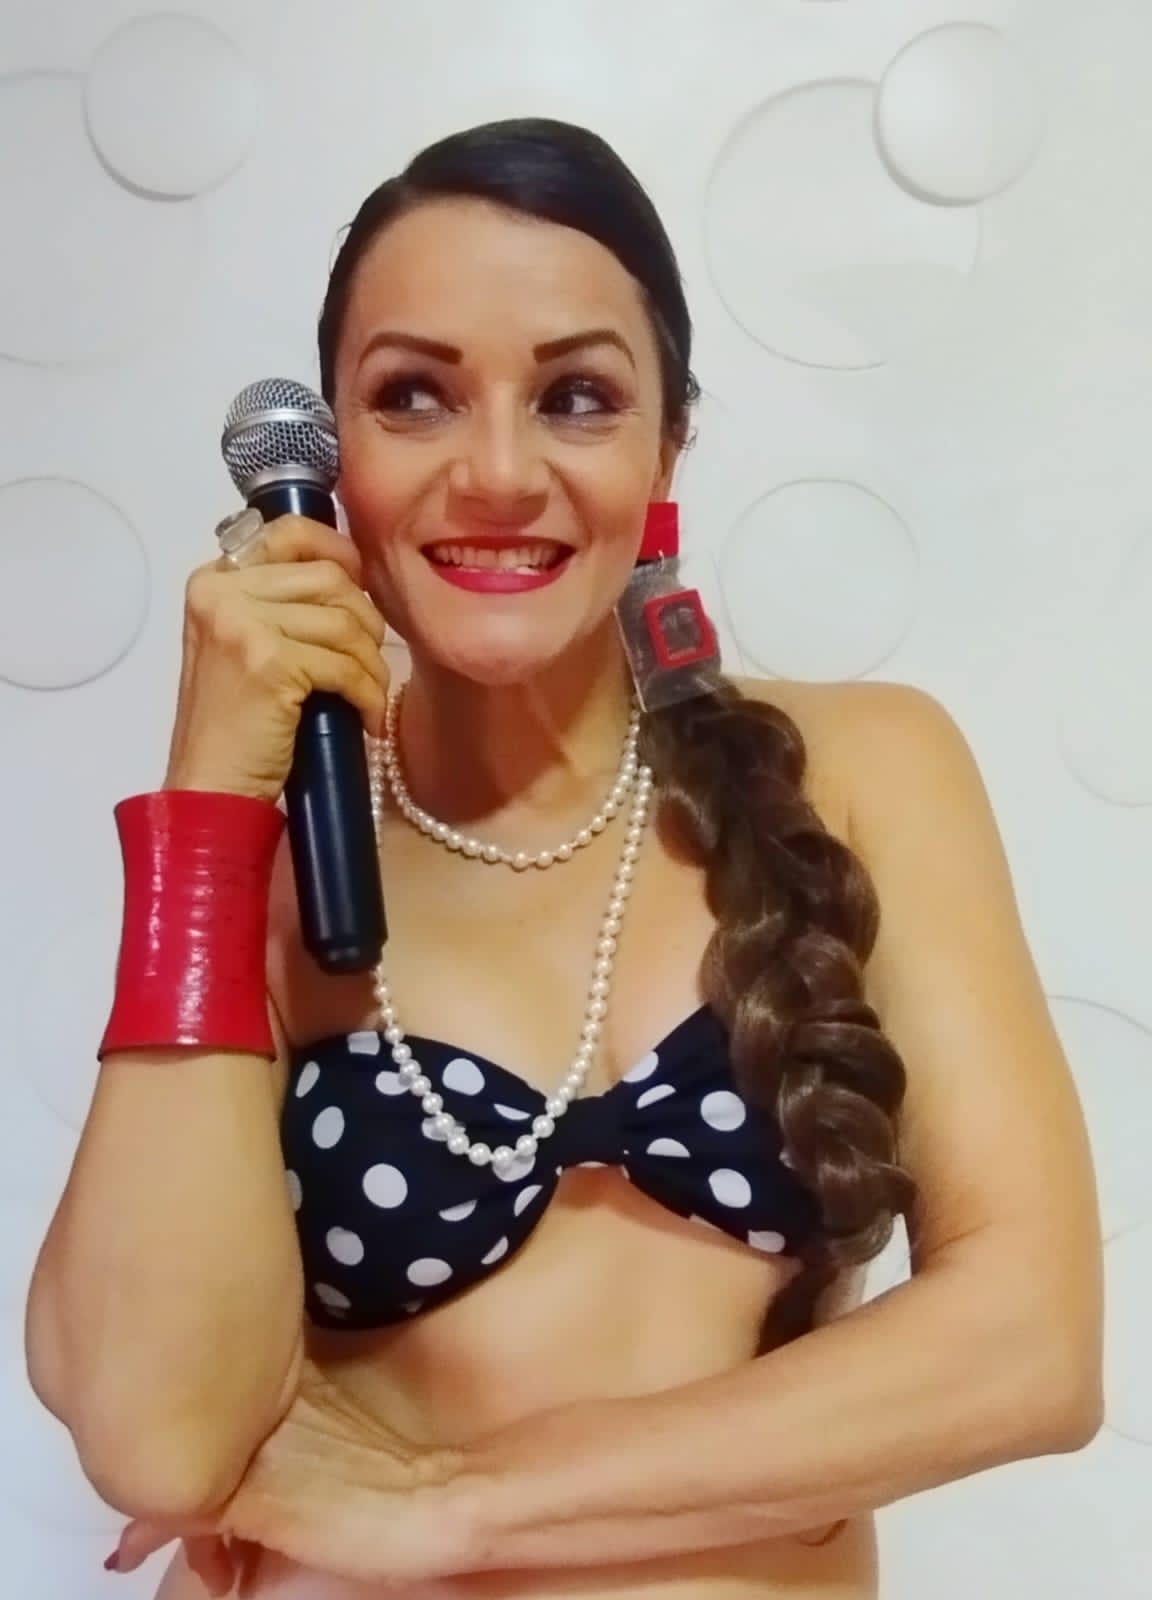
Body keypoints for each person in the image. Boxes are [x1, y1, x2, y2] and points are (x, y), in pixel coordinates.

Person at [25, 118, 1103, 1600]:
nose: (496, 471)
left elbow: (1033, 1345)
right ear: (332, 460)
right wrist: (210, 796)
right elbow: (153, 1438)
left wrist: (454, 1502)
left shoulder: (864, 770)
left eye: (577, 397)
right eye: (415, 396)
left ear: (669, 445)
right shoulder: (270, 860)